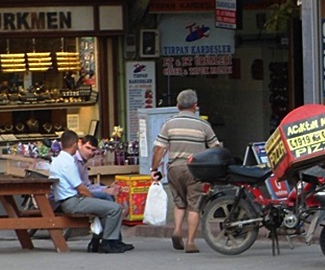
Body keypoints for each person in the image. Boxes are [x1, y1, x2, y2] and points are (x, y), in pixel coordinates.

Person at [150, 89, 220, 253]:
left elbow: (159, 149)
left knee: (179, 202)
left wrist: (154, 168)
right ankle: (190, 242)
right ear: (195, 106)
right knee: (194, 206)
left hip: (174, 168)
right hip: (195, 169)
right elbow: (215, 148)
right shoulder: (203, 125)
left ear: (177, 105)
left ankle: (177, 231)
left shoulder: (169, 123)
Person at [50, 130, 133, 254]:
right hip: (72, 201)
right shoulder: (68, 163)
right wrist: (93, 200)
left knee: (107, 202)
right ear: (75, 145)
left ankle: (110, 241)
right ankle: (107, 242)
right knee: (115, 208)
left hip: (68, 199)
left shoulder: (57, 160)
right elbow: (81, 188)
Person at [74, 134, 125, 253]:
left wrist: (106, 187)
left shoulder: (82, 162)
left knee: (108, 197)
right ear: (80, 144)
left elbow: (87, 185)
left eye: (93, 150)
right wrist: (104, 191)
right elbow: (80, 188)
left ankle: (105, 240)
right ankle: (110, 241)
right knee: (107, 199)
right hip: (76, 197)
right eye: (88, 148)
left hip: (82, 193)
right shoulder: (74, 162)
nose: (90, 153)